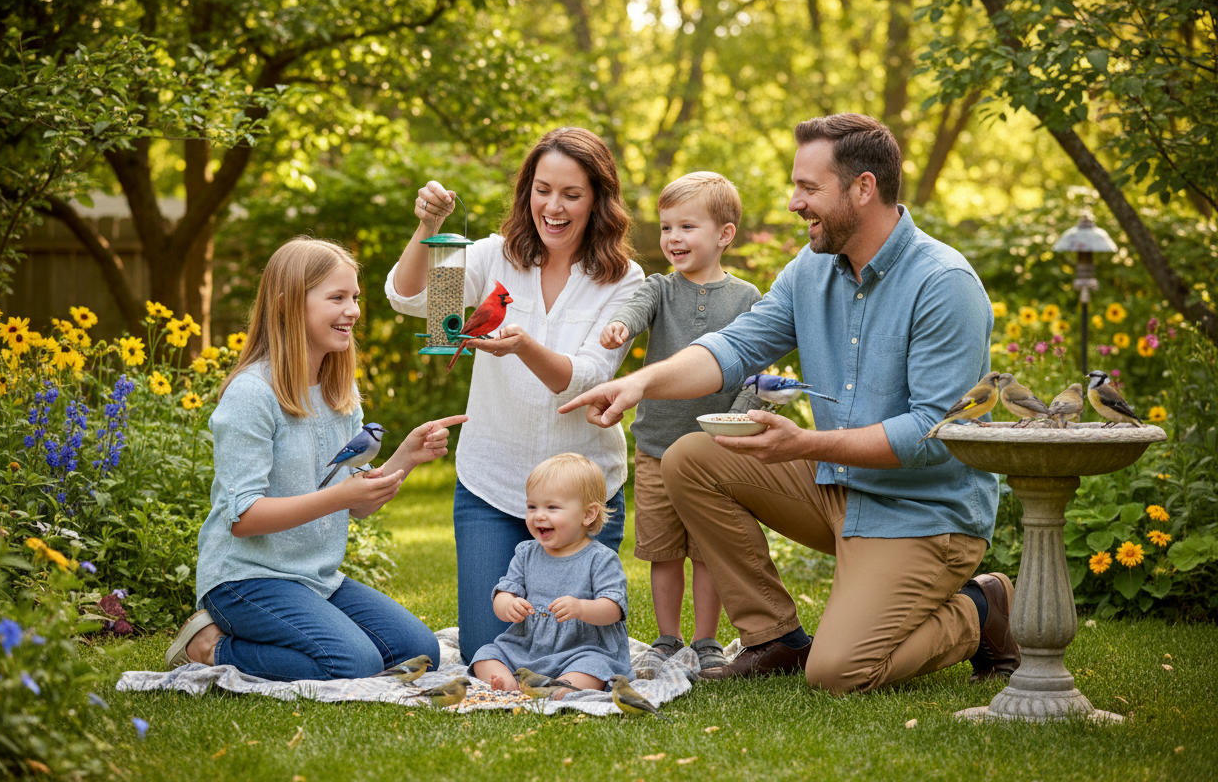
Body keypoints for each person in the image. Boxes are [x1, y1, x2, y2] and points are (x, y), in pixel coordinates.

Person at [560, 113, 1020, 694]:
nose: (793, 202)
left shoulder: (942, 283)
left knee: (839, 673)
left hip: (921, 514)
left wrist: (805, 445)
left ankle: (981, 609)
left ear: (863, 188)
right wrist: (641, 384)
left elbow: (935, 432)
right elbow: (737, 344)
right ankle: (774, 638)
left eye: (808, 187)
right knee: (689, 457)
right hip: (839, 486)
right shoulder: (812, 268)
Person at [385, 127, 645, 663]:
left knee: (568, 647)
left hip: (583, 498)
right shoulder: (491, 257)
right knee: (488, 651)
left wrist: (524, 345)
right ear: (527, 191)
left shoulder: (624, 279)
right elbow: (409, 298)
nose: (553, 206)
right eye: (542, 189)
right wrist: (428, 226)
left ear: (598, 200)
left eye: (572, 194)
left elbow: (589, 377)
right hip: (493, 485)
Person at [166, 237, 465, 681]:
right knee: (353, 663)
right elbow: (242, 517)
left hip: (316, 577)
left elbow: (358, 503)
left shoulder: (339, 395)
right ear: (289, 305)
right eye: (337, 298)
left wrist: (406, 456)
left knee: (419, 653)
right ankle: (210, 646)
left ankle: (301, 629)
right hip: (246, 579)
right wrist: (338, 496)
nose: (354, 311)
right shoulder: (252, 394)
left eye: (356, 298)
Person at [599, 171, 761, 676]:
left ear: (724, 235)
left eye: (687, 227)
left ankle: (707, 640)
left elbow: (756, 368)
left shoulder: (748, 297)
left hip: (715, 453)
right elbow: (637, 305)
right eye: (667, 228)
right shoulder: (660, 289)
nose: (673, 239)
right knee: (663, 549)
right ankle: (667, 639)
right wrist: (622, 324)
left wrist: (734, 423)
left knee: (707, 550)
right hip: (656, 447)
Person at [469, 453, 632, 695]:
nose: (539, 515)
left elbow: (614, 609)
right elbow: (505, 590)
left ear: (588, 514)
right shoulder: (526, 553)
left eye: (552, 507)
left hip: (581, 648)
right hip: (527, 647)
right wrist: (508, 605)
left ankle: (564, 686)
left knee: (593, 667)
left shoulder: (600, 558)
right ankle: (508, 682)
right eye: (532, 506)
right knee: (485, 656)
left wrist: (581, 608)